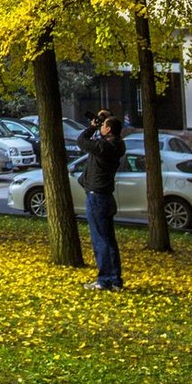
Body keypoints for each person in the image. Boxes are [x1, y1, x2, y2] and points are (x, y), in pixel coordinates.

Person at [76, 113, 126, 291]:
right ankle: (115, 280)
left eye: (104, 125)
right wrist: (100, 122)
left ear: (109, 129)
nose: (101, 127)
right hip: (105, 196)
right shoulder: (117, 144)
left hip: (97, 196)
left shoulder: (104, 146)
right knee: (108, 239)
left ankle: (104, 280)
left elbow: (81, 141)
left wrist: (92, 127)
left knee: (100, 240)